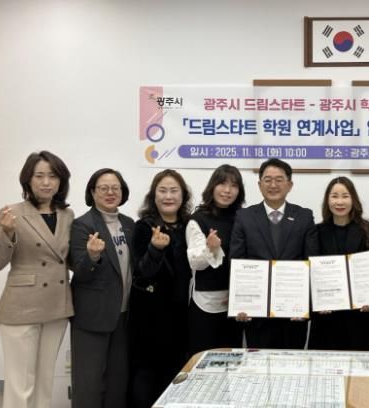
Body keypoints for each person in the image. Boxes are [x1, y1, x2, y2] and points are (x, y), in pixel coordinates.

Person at [0, 151, 73, 408]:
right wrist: (7, 233)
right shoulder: (11, 213)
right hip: (21, 306)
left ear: (61, 181)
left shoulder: (67, 215)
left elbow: (67, 258)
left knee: (45, 380)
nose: (46, 182)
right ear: (28, 179)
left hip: (56, 305)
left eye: (53, 176)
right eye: (39, 176)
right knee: (20, 383)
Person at [229, 158, 318, 349]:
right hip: (257, 315)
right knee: (258, 363)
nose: (273, 185)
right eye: (268, 180)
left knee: (293, 363)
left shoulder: (304, 216)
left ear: (289, 185)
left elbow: (311, 262)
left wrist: (305, 305)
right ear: (259, 184)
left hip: (293, 314)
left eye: (279, 179)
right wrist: (240, 304)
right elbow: (237, 261)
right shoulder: (244, 217)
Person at [69, 168, 134, 408]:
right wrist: (92, 257)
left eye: (115, 188)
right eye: (104, 188)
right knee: (89, 383)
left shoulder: (129, 224)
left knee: (118, 381)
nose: (110, 192)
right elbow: (80, 272)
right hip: (93, 316)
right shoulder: (82, 225)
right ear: (93, 192)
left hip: (123, 316)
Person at [128, 169, 193, 408]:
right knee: (146, 376)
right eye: (162, 191)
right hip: (149, 316)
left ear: (183, 196)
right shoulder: (144, 227)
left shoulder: (190, 226)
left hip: (180, 315)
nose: (168, 196)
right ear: (153, 196)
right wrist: (155, 249)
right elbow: (141, 271)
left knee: (175, 375)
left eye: (174, 191)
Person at [309, 176, 369, 351]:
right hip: (327, 318)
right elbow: (311, 273)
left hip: (360, 317)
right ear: (327, 200)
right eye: (334, 196)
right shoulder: (316, 232)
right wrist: (316, 302)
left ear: (353, 199)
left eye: (345, 196)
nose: (340, 202)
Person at [187, 164, 245, 355]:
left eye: (234, 185)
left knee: (232, 360)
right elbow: (195, 263)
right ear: (212, 186)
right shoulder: (197, 219)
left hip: (236, 303)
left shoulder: (243, 218)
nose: (227, 190)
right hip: (206, 303)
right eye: (222, 184)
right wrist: (210, 248)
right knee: (203, 359)